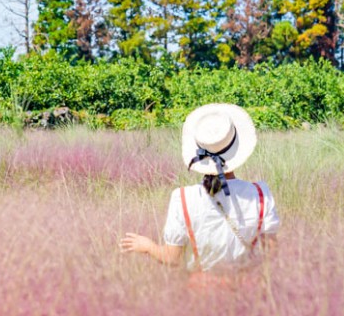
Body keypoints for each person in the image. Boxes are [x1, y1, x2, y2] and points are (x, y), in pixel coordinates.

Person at [120, 103, 280, 275]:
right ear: (235, 148)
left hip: (201, 293)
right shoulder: (260, 194)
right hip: (247, 290)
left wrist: (147, 246)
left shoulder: (182, 198)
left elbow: (172, 258)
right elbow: (269, 253)